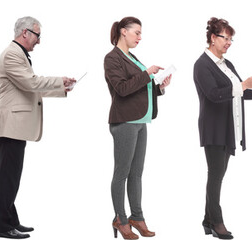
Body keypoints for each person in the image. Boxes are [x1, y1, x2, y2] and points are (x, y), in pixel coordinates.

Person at [0, 16, 76, 239]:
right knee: (6, 178)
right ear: (25, 32)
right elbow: (31, 83)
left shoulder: (19, 55)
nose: (39, 40)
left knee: (11, 177)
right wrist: (59, 81)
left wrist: (62, 88)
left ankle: (10, 221)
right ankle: (0, 226)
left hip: (15, 126)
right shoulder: (12, 54)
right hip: (10, 125)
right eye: (38, 35)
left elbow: (29, 88)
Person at [193, 17, 252, 240]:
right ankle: (217, 222)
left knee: (217, 175)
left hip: (228, 128)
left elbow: (238, 91)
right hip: (214, 128)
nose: (229, 42)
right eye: (225, 38)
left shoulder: (227, 64)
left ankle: (206, 220)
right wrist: (243, 84)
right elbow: (214, 94)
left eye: (231, 39)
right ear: (213, 38)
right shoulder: (202, 64)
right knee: (216, 176)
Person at [104, 16, 172, 240]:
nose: (140, 37)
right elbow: (122, 89)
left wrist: (159, 87)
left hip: (141, 121)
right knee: (121, 173)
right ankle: (120, 219)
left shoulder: (131, 57)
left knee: (136, 174)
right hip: (124, 122)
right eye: (137, 33)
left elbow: (140, 89)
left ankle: (137, 217)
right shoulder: (112, 58)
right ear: (124, 32)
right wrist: (147, 74)